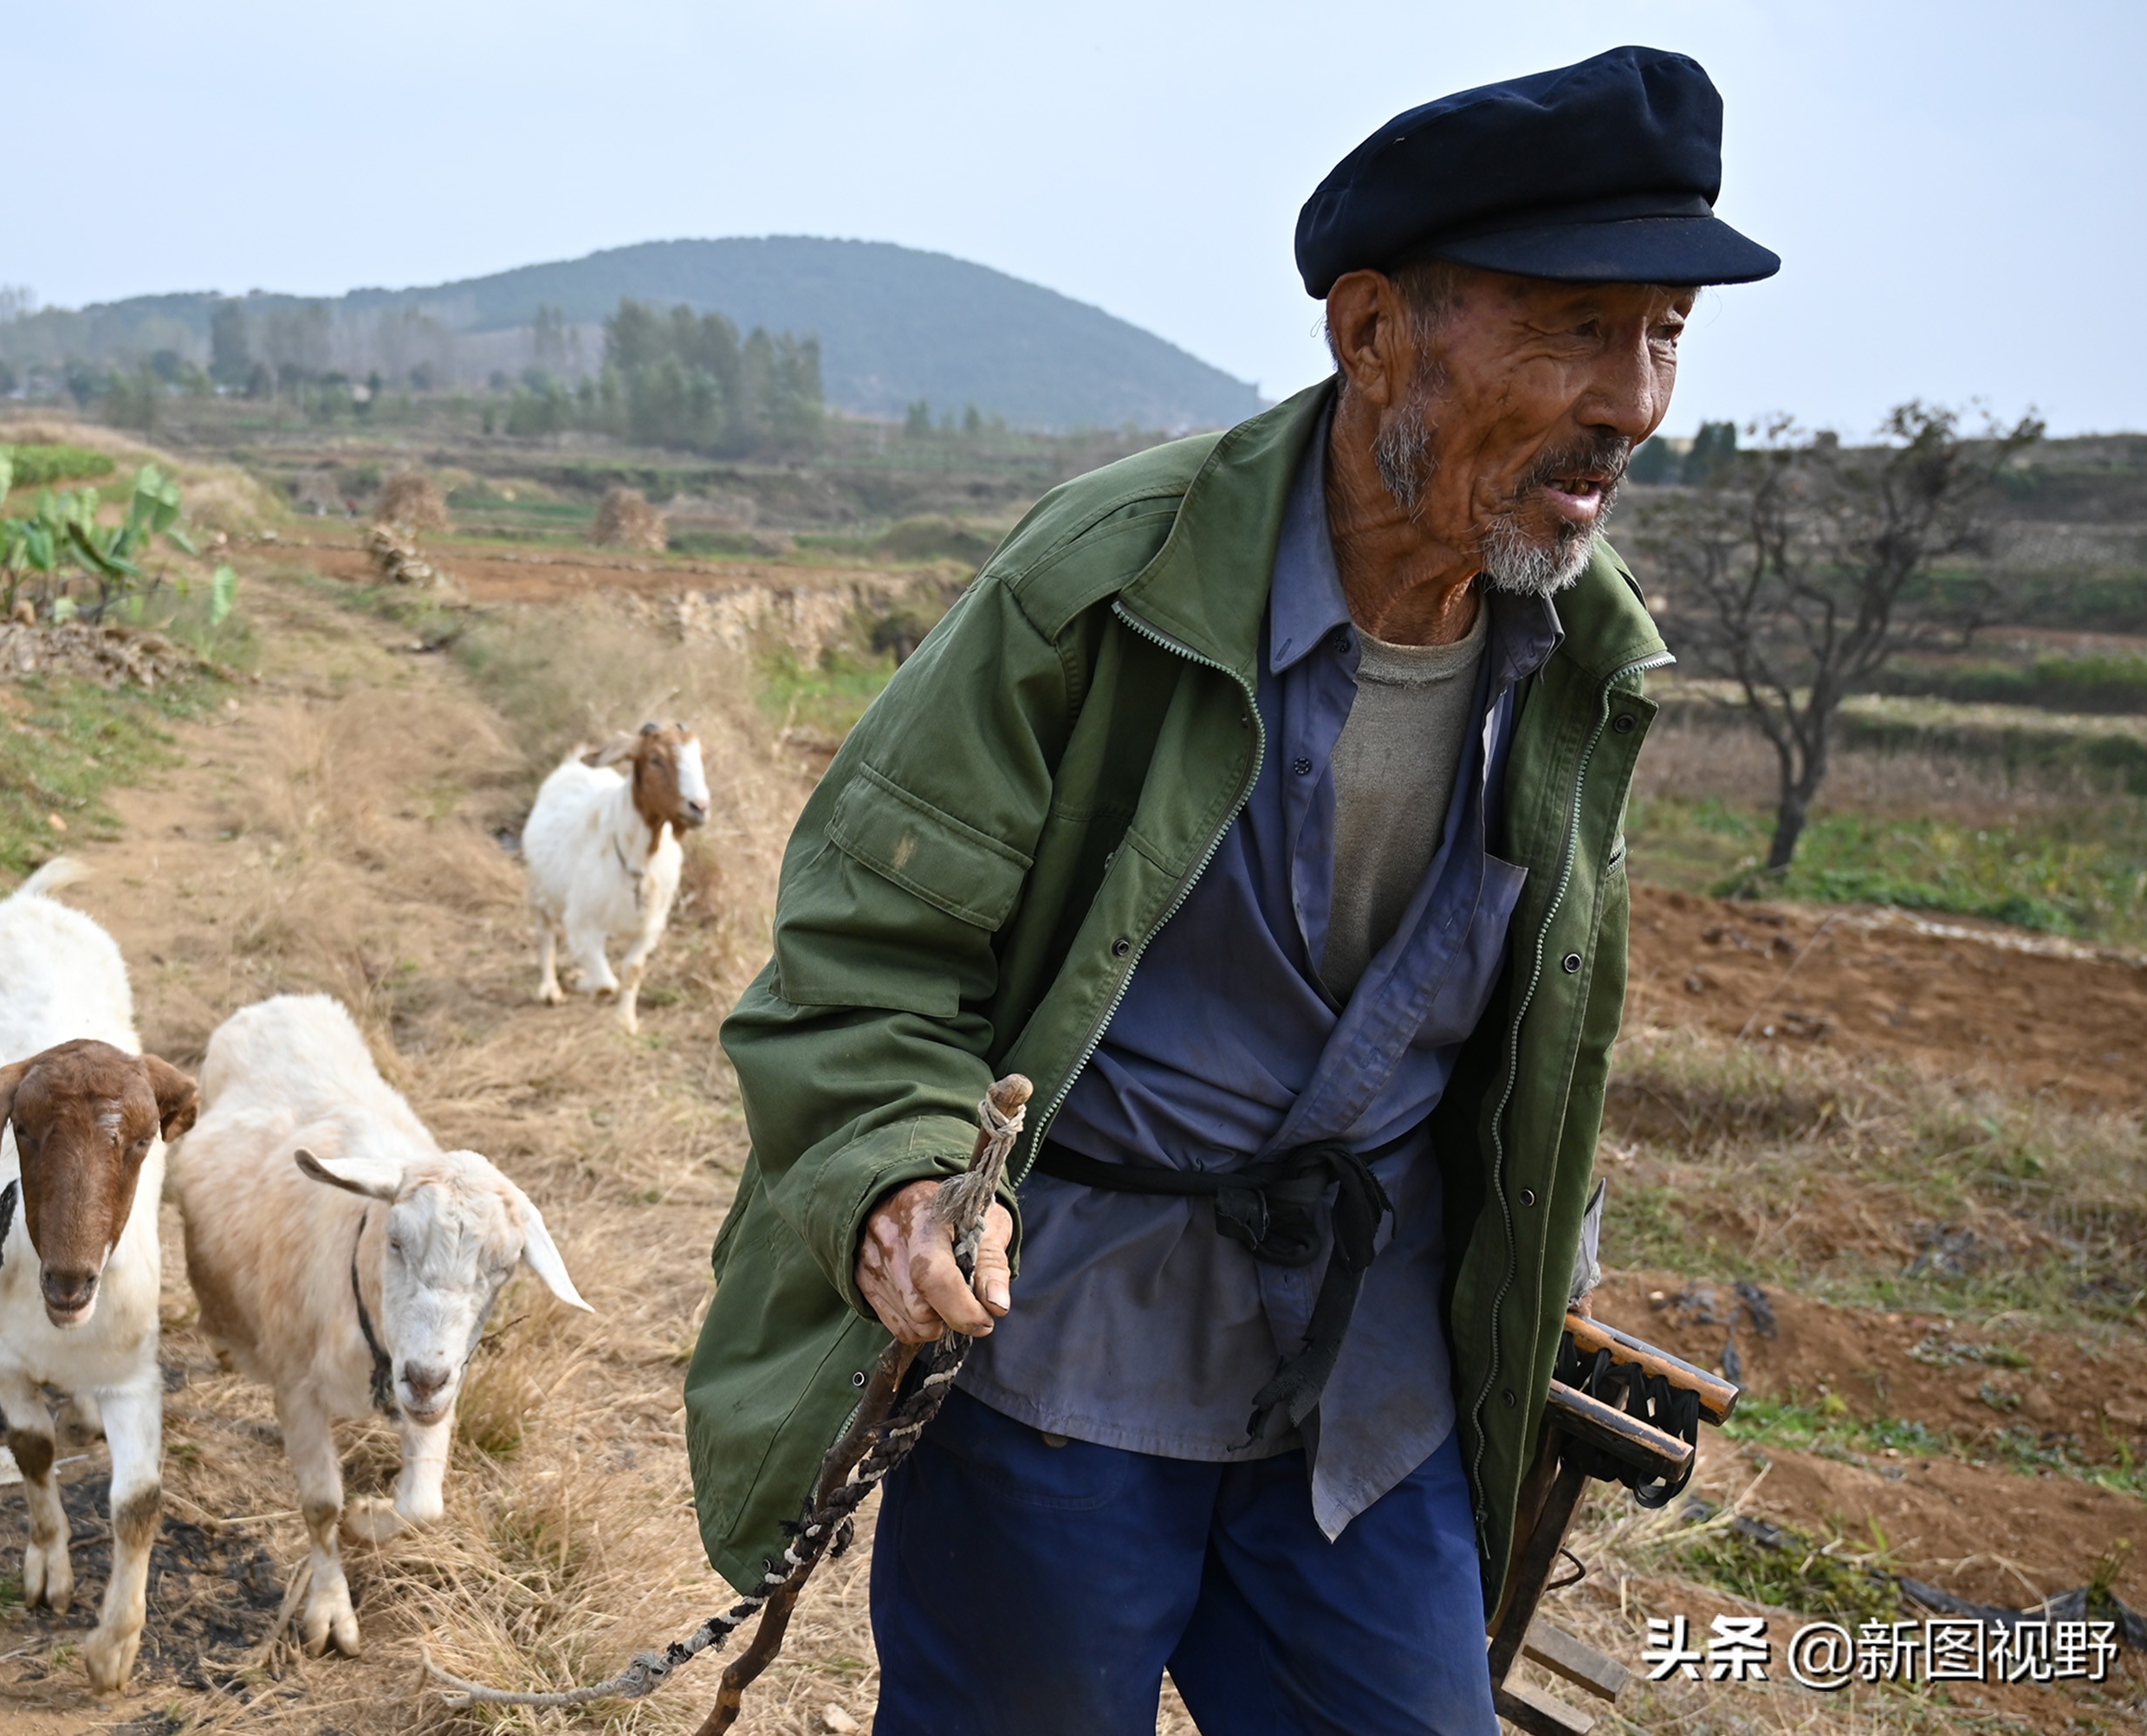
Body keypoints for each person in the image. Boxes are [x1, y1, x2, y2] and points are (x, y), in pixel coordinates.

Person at [684, 44, 1779, 1735]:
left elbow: (1518, 1044)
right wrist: (905, 1179)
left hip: (1369, 1387)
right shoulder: (1102, 590)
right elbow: (862, 950)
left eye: (1664, 336)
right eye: (1577, 328)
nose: (1635, 403)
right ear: (1372, 332)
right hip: (1067, 1360)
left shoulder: (1582, 662)